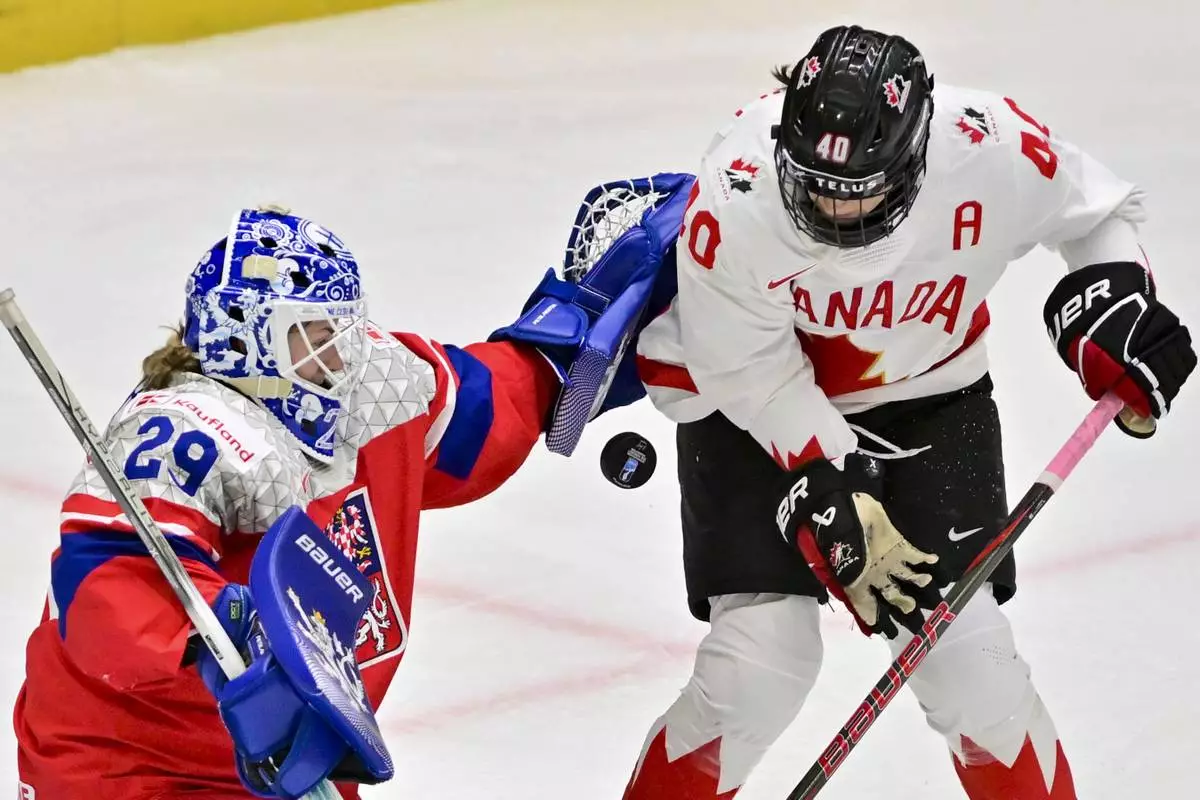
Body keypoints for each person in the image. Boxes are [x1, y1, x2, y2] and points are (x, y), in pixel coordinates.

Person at [626, 25, 1196, 799]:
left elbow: (1095, 211)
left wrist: (1113, 304)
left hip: (929, 398)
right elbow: (746, 369)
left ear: (918, 155)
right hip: (752, 410)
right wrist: (829, 476)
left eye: (860, 189)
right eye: (816, 183)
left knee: (973, 672)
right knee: (760, 666)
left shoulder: (988, 147)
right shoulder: (737, 187)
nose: (832, 208)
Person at [12, 204, 653, 799]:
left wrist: (574, 347)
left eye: (339, 329)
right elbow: (106, 580)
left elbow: (485, 410)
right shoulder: (187, 429)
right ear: (246, 338)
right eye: (313, 333)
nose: (340, 354)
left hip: (283, 775)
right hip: (128, 770)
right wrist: (217, 631)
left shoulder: (368, 391)